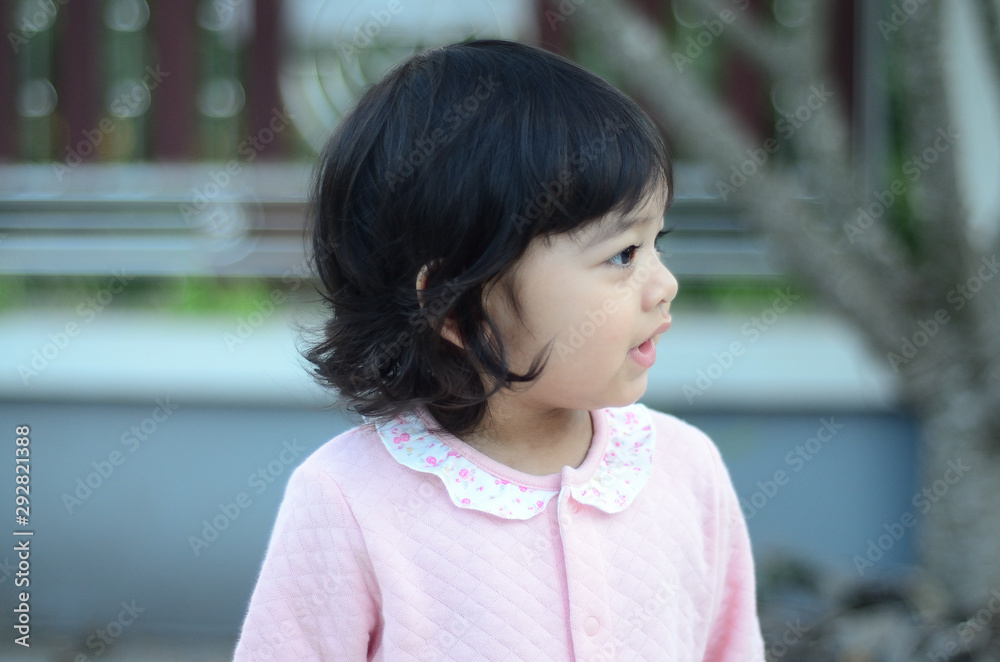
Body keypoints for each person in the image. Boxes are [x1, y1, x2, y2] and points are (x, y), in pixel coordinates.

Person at [234, 39, 764, 661]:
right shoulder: (349, 500)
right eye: (622, 254)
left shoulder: (685, 471)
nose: (664, 284)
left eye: (656, 243)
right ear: (458, 307)